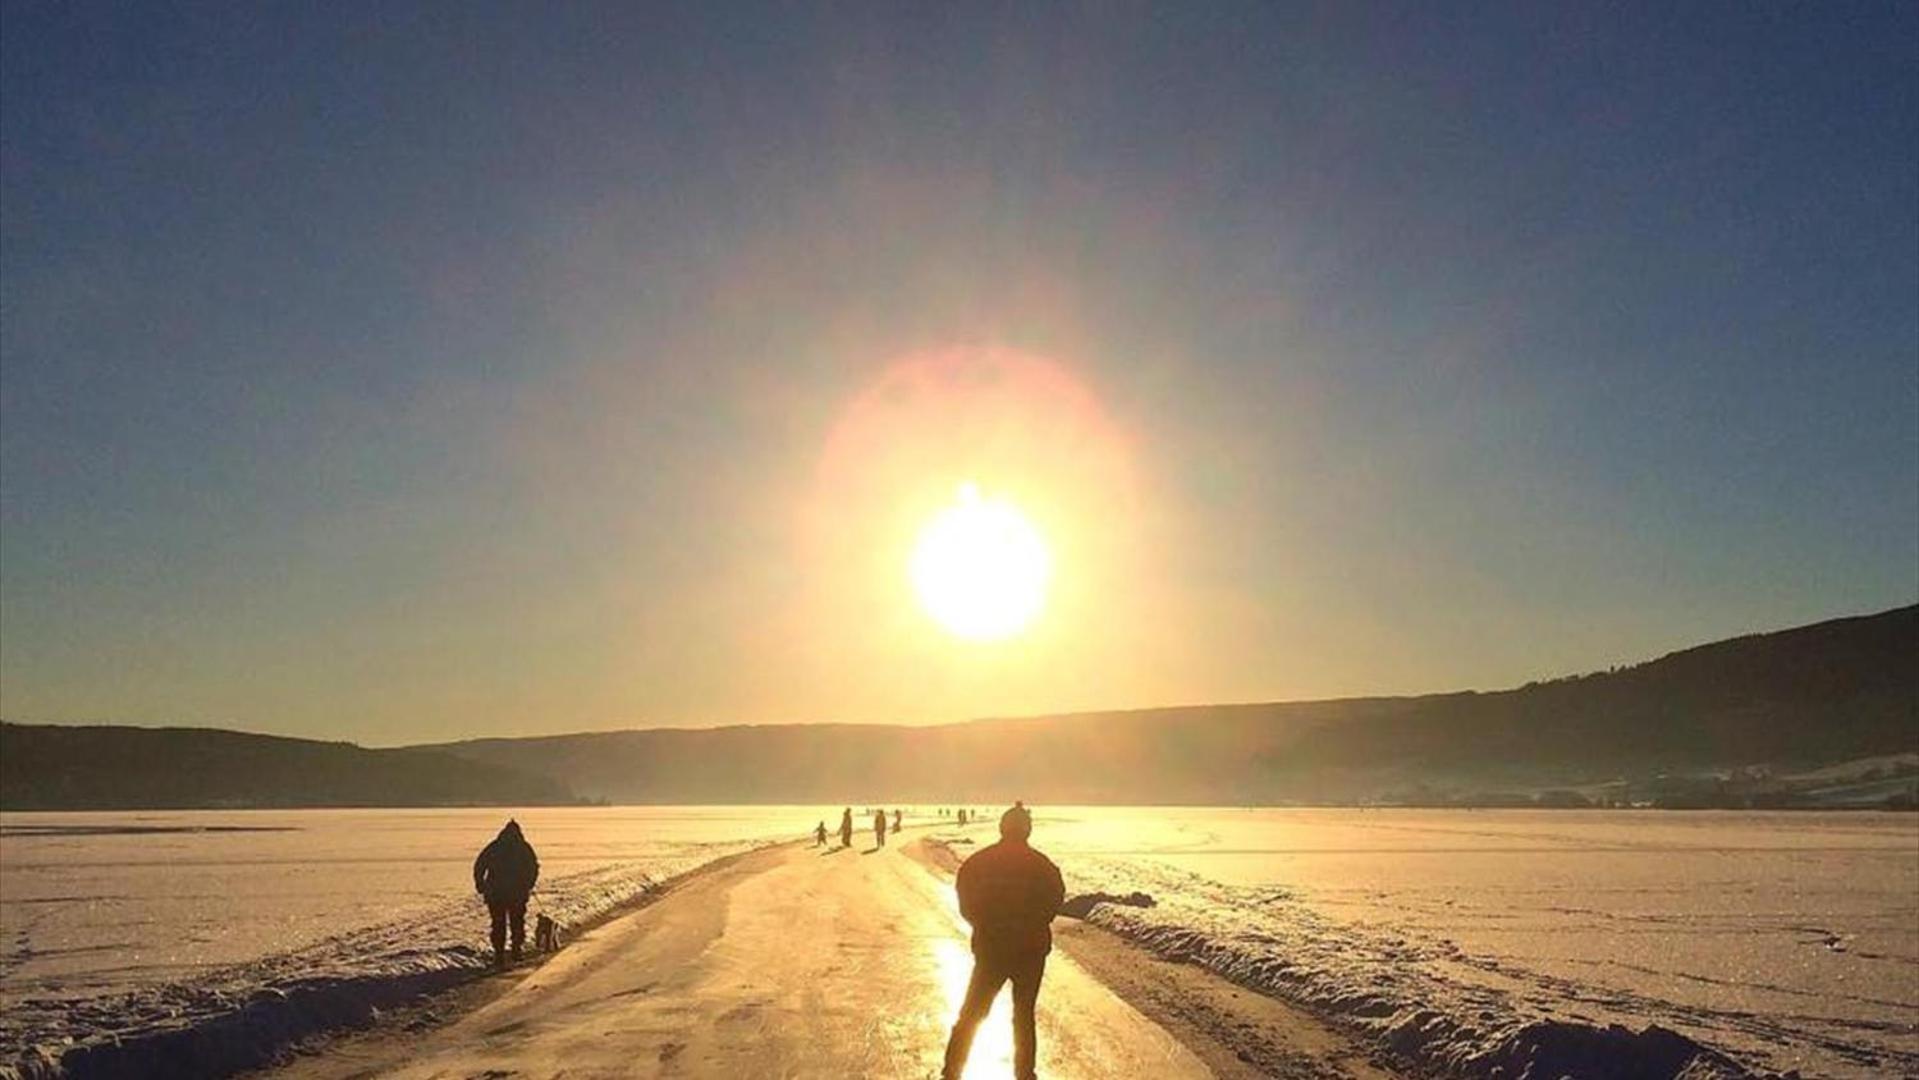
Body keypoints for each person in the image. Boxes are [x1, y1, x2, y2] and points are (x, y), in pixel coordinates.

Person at [942, 802, 1065, 1080]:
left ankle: (951, 1071)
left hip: (991, 950)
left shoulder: (979, 862)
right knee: (1024, 1016)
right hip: (1030, 952)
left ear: (1002, 828)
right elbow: (1054, 900)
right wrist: (1029, 924)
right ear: (1027, 831)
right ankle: (1024, 1074)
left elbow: (965, 901)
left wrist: (986, 926)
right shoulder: (1042, 866)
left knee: (972, 1014)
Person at [472, 819, 540, 966]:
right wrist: (529, 883)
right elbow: (533, 867)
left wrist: (480, 883)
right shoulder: (524, 848)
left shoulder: (494, 846)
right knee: (517, 922)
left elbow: (480, 865)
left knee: (498, 923)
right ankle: (516, 950)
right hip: (516, 893)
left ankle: (499, 954)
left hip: (496, 893)